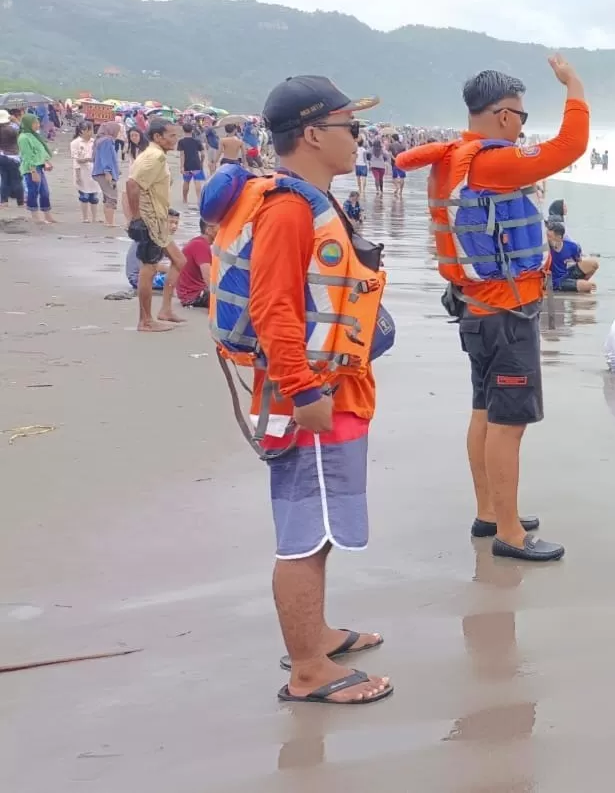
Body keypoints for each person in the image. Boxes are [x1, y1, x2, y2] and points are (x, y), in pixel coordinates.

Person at [213, 74, 392, 705]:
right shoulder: (290, 207)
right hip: (309, 398)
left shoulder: (305, 197)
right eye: (352, 128)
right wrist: (304, 391)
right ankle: (309, 671)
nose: (360, 140)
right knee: (306, 535)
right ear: (314, 134)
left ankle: (315, 634)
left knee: (317, 525)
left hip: (327, 390)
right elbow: (273, 308)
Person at [394, 57, 589, 562]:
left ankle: (490, 511)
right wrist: (574, 85)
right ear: (504, 116)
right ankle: (510, 534)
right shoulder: (493, 163)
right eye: (522, 118)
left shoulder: (457, 158)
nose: (523, 127)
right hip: (505, 316)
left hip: (477, 311)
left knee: (485, 411)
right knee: (509, 423)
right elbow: (571, 147)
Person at [130, 118, 185, 331]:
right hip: (150, 219)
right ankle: (145, 320)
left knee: (179, 260)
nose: (175, 139)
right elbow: (132, 184)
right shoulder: (154, 157)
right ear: (157, 137)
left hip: (159, 218)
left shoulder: (155, 155)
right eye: (171, 135)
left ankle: (165, 310)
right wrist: (136, 218)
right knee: (149, 268)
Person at [19, 113, 54, 225]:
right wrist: (33, 171)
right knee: (33, 191)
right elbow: (27, 155)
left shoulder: (34, 135)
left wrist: (46, 161)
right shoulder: (23, 137)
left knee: (45, 192)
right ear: (28, 124)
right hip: (31, 168)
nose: (37, 125)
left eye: (38, 123)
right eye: (35, 123)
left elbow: (41, 150)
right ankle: (35, 216)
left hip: (39, 166)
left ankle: (47, 215)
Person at [544, 222, 599, 293]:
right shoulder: (545, 249)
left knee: (593, 264)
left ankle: (578, 285)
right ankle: (581, 286)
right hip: (556, 281)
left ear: (559, 237)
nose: (547, 238)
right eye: (546, 235)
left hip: (567, 273)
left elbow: (579, 261)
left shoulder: (572, 246)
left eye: (549, 236)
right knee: (589, 286)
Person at [173, 219, 216, 308]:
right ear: (208, 230)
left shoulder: (198, 242)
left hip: (189, 293)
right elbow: (207, 276)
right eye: (219, 226)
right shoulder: (201, 245)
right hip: (192, 296)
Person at [92, 121, 121, 226]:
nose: (118, 132)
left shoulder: (100, 140)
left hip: (100, 172)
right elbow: (106, 158)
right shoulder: (107, 141)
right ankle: (110, 222)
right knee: (111, 196)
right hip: (104, 173)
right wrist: (108, 172)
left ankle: (107, 221)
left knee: (107, 196)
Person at [70, 121, 100, 222]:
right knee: (84, 196)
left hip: (94, 172)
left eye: (91, 130)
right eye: (88, 130)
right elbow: (76, 160)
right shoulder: (75, 143)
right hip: (82, 172)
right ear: (82, 131)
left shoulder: (94, 142)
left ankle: (94, 218)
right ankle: (85, 217)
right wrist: (78, 175)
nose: (91, 132)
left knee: (94, 197)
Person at [175, 125, 206, 204]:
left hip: (187, 164)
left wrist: (181, 166)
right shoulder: (197, 141)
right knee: (197, 181)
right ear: (192, 130)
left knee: (186, 181)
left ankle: (185, 199)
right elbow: (203, 154)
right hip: (196, 164)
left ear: (183, 130)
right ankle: (199, 199)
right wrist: (201, 162)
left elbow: (182, 154)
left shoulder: (181, 142)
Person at [0, 123, 23, 210]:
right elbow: (22, 132)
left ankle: (4, 202)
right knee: (16, 180)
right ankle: (20, 202)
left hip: (1, 156)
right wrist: (16, 121)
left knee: (4, 180)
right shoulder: (11, 129)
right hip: (12, 156)